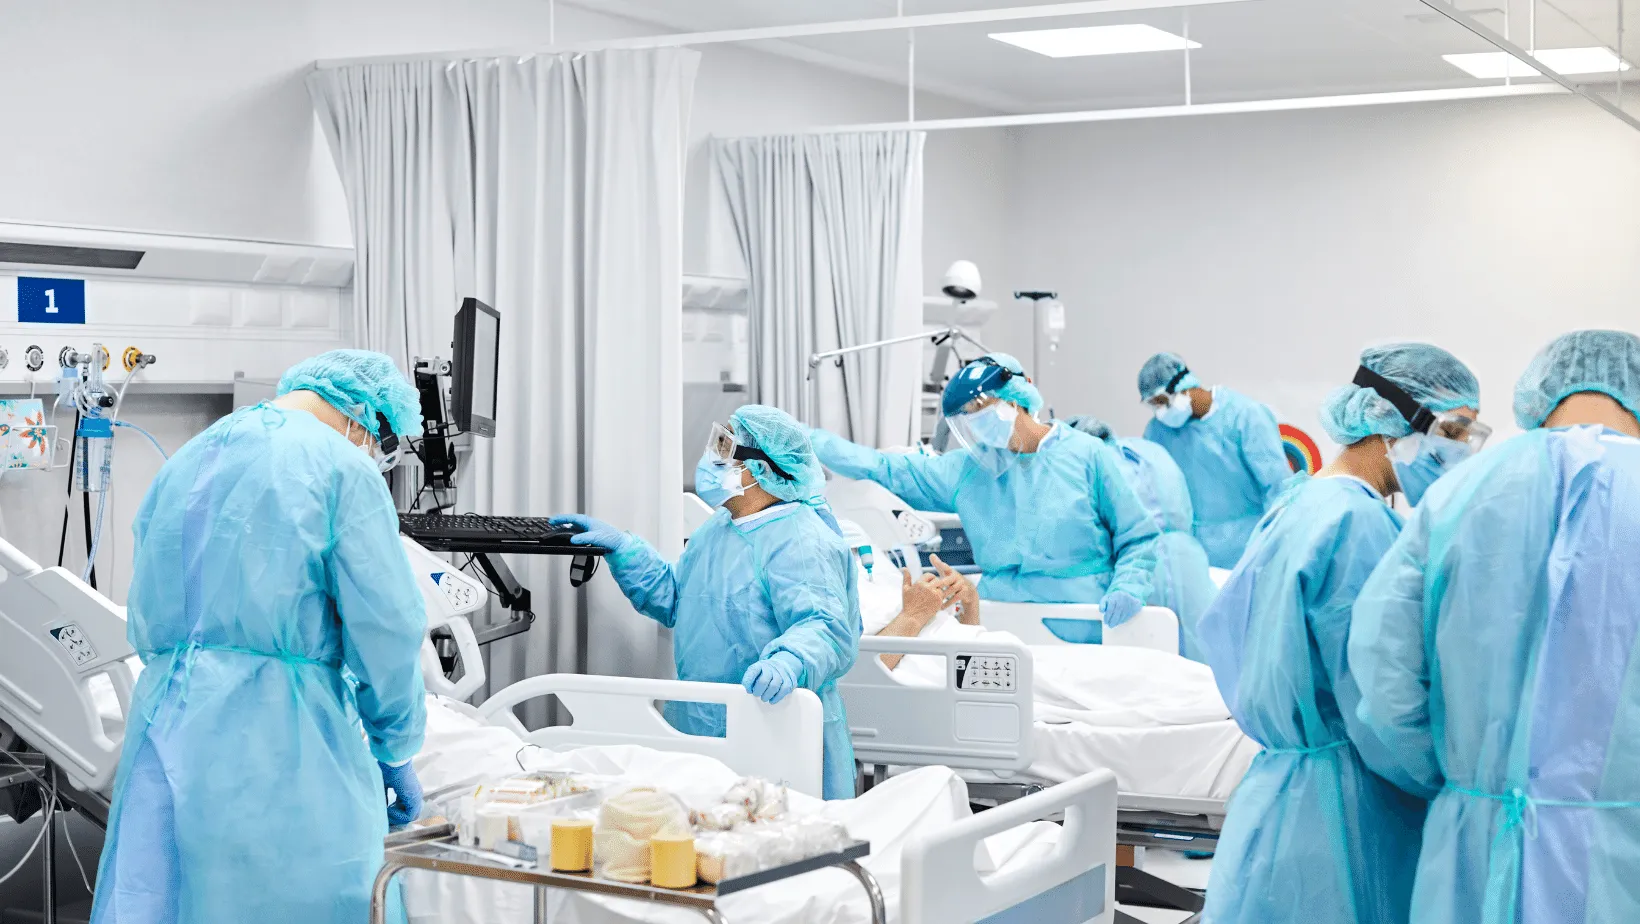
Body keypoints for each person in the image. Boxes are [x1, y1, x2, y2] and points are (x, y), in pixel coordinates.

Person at [91, 350, 430, 924]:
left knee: (175, 899)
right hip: (282, 738)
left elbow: (152, 590)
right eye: (380, 441)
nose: (375, 452)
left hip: (169, 725)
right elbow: (388, 628)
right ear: (366, 419)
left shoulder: (191, 457)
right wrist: (394, 745)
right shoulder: (342, 469)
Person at [1350, 330, 1640, 924]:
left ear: (1539, 394)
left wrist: (1465, 781)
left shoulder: (1460, 493)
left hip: (1472, 856)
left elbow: (1385, 683)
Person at [1195, 344, 1485, 924]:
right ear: (1392, 422)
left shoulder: (1301, 504)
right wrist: (1447, 779)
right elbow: (1381, 703)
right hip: (1349, 814)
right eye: (1453, 430)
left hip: (1280, 800)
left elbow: (1226, 637)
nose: (1459, 451)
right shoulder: (1358, 524)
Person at [553, 405, 861, 800]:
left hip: (774, 721)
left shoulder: (800, 540)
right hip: (703, 722)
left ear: (762, 468)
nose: (713, 455)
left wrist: (790, 661)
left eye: (726, 446)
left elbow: (826, 627)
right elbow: (678, 600)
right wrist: (625, 550)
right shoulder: (718, 529)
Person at [808, 353, 1159, 622]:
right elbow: (884, 467)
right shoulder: (970, 469)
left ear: (1017, 396)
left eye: (982, 408)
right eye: (968, 416)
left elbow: (1138, 538)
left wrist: (1128, 587)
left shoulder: (1087, 456)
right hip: (1000, 616)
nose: (978, 423)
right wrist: (805, 440)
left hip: (1084, 615)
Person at [1064, 415, 1218, 661]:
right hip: (1188, 560)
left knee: (1152, 664)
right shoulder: (1150, 452)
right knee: (1203, 661)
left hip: (1139, 570)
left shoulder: (1092, 464)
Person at [1137, 352, 1292, 568]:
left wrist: (1274, 547)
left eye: (1162, 402)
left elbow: (1278, 489)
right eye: (1154, 406)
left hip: (1248, 549)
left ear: (1184, 386)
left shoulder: (1245, 416)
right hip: (1192, 556)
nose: (1160, 412)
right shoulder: (1158, 431)